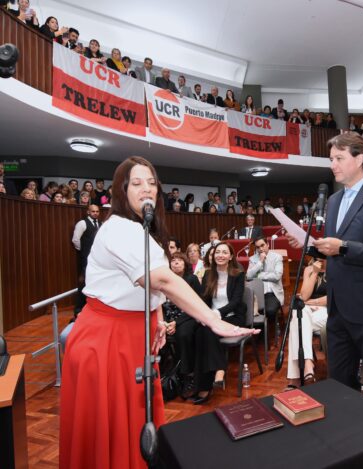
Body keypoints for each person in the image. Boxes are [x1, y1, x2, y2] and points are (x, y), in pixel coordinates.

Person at [59, 156, 256, 469]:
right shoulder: (120, 229)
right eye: (136, 183)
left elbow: (147, 288)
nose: (146, 189)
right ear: (121, 191)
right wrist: (212, 319)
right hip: (108, 342)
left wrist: (157, 319)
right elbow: (162, 280)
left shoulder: (139, 230)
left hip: (131, 335)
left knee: (135, 429)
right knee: (112, 435)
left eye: (152, 183)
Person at [287, 132, 363, 408]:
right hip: (338, 309)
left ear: (359, 159)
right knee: (339, 386)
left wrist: (344, 247)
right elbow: (335, 249)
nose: (332, 165)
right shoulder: (334, 201)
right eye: (331, 159)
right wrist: (310, 245)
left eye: (339, 158)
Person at [195, 242, 247, 403]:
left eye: (225, 252)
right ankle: (214, 373)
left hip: (233, 316)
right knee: (199, 332)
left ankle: (207, 385)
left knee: (207, 330)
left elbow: (236, 301)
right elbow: (204, 299)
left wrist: (216, 314)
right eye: (218, 252)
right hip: (213, 317)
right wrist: (203, 314)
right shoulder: (208, 275)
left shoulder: (238, 274)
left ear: (231, 256)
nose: (220, 255)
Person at [160, 252, 202, 399]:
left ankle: (187, 375)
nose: (176, 262)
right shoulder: (164, 280)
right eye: (173, 260)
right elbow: (160, 304)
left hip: (188, 316)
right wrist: (165, 323)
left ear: (185, 264)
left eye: (179, 260)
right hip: (168, 318)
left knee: (183, 334)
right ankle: (164, 376)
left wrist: (176, 323)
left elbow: (198, 304)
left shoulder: (192, 279)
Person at [287, 258, 327, 388]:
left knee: (296, 323)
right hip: (308, 311)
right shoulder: (309, 270)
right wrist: (314, 273)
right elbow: (303, 296)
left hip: (328, 310)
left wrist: (311, 303)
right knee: (299, 315)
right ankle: (308, 365)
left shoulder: (336, 269)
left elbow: (333, 297)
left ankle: (294, 379)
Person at [246, 236, 284, 320]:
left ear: (268, 244)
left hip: (271, 293)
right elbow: (248, 276)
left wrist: (259, 275)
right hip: (256, 293)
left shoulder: (277, 257)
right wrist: (260, 262)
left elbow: (277, 276)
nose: (260, 249)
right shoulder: (253, 259)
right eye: (258, 247)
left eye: (262, 245)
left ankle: (271, 326)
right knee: (246, 310)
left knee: (270, 311)